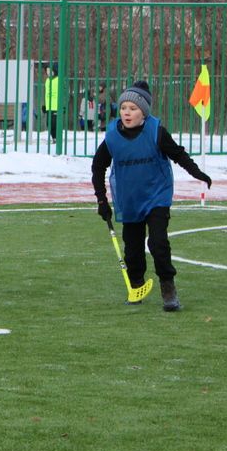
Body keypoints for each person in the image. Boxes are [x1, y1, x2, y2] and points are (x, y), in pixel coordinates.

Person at [91, 81, 212, 312]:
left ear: (144, 112)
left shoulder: (156, 131)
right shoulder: (112, 137)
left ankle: (168, 288)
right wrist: (101, 200)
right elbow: (98, 168)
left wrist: (198, 172)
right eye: (124, 107)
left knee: (158, 243)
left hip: (157, 195)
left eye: (133, 108)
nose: (127, 112)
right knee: (133, 249)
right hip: (129, 198)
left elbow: (177, 154)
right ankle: (136, 285)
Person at [43, 62, 61, 139]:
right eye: (47, 71)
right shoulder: (47, 81)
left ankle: (56, 138)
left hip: (56, 106)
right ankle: (53, 137)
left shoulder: (59, 80)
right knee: (48, 124)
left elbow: (63, 93)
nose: (48, 72)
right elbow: (46, 94)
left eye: (50, 71)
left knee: (54, 123)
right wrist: (45, 105)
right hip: (49, 107)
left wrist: (63, 106)